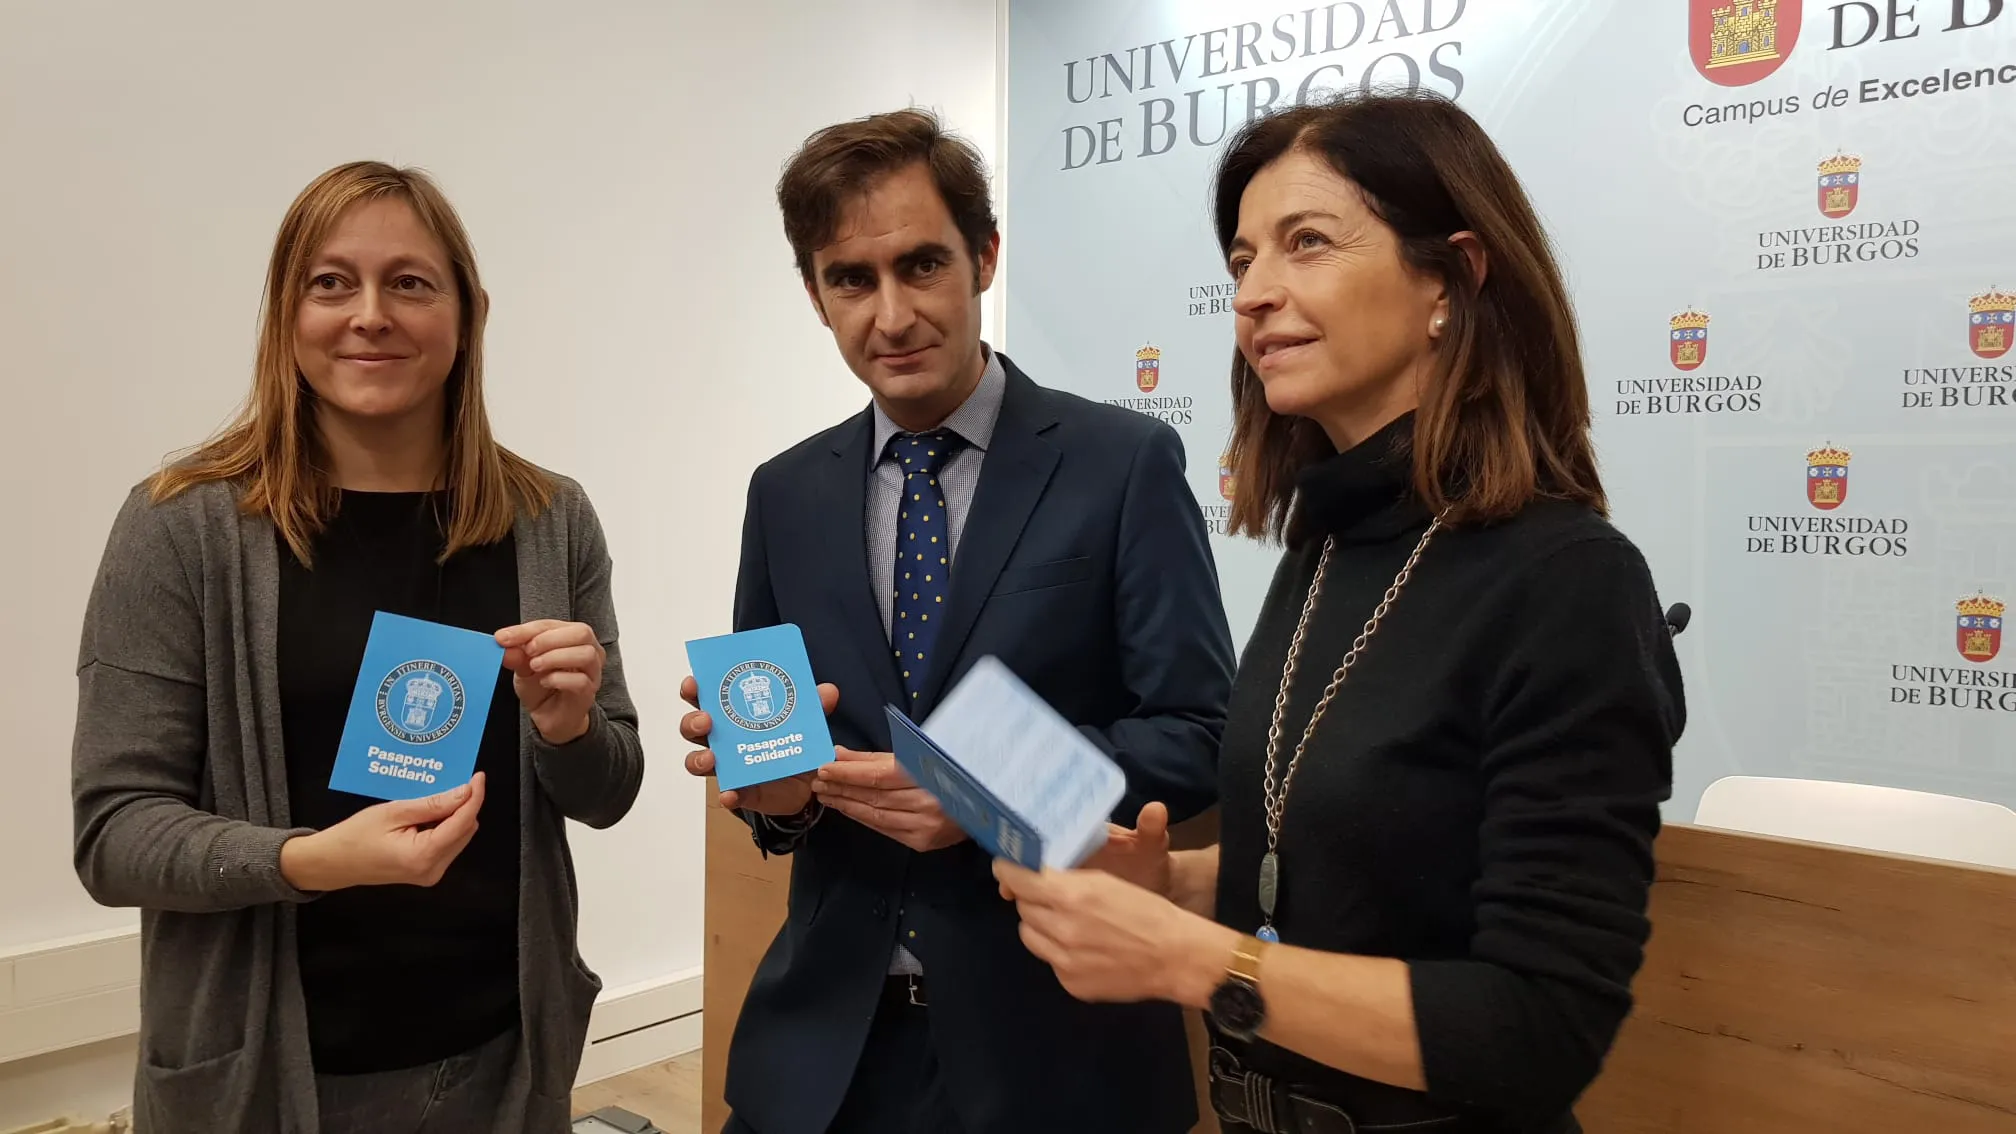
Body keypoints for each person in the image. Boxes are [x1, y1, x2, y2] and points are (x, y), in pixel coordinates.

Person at [994, 91, 1686, 1134]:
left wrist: (1194, 959)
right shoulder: (1324, 548)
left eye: (1306, 243)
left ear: (1452, 276)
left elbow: (1540, 1029)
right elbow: (1361, 872)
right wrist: (1176, 886)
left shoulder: (1570, 581)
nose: (1253, 294)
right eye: (1242, 261)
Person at [679, 108, 1237, 1134]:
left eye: (923, 264)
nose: (892, 315)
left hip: (1059, 1056)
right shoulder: (784, 493)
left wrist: (986, 797)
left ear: (983, 257)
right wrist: (778, 796)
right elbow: (779, 779)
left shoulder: (1121, 464)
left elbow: (1198, 734)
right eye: (852, 279)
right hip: (822, 1060)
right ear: (816, 295)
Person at [70, 161, 645, 1134]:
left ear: (468, 315)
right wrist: (310, 861)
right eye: (331, 283)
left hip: (501, 1064)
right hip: (263, 1080)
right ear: (286, 316)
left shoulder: (549, 520)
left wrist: (570, 729)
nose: (370, 315)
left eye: (410, 283)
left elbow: (608, 792)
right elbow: (114, 837)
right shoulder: (181, 528)